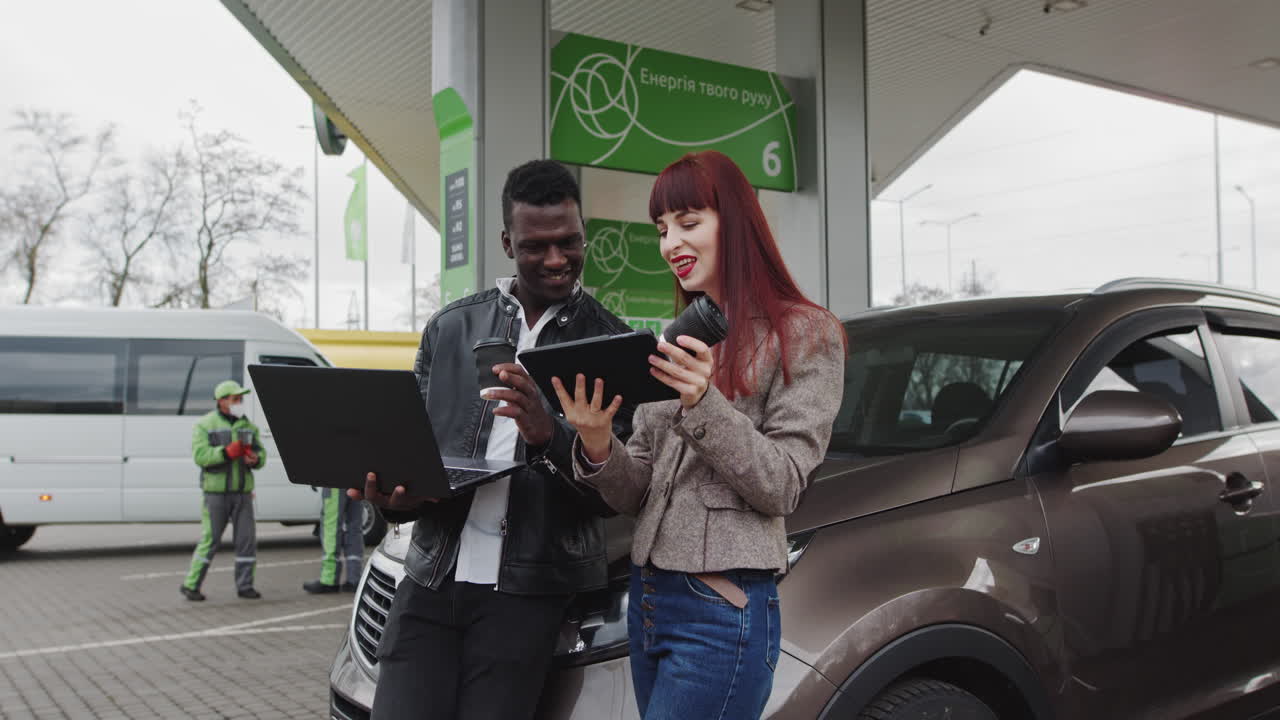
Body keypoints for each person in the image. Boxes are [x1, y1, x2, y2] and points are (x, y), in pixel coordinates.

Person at [554, 150, 846, 720]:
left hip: (720, 608)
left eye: (688, 222)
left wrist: (702, 401)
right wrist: (596, 442)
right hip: (649, 601)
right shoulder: (674, 340)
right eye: (662, 229)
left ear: (734, 222)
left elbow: (784, 484)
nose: (671, 244)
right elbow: (638, 491)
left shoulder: (804, 333)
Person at [349, 159, 634, 720]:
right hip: (432, 576)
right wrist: (395, 500)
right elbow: (415, 455)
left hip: (529, 593)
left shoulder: (610, 343)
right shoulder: (450, 328)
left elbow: (615, 496)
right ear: (507, 243)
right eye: (535, 246)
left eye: (569, 242)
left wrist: (549, 434)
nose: (556, 259)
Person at [181, 380, 267, 601]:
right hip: (215, 494)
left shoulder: (248, 426)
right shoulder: (205, 424)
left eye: (241, 399)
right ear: (221, 401)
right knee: (210, 539)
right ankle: (191, 585)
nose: (240, 403)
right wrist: (226, 453)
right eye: (235, 399)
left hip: (243, 493)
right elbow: (200, 456)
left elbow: (261, 454)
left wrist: (255, 459)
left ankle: (245, 586)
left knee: (246, 540)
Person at [303, 487, 363, 593]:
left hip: (335, 482)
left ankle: (329, 579)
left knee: (331, 525)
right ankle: (354, 578)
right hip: (358, 482)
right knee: (354, 527)